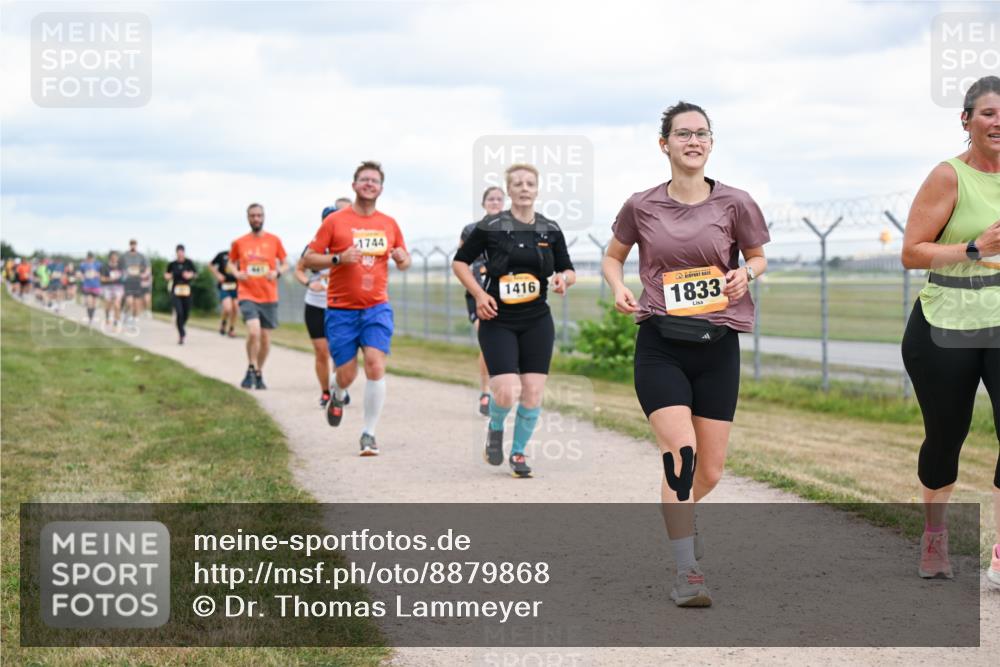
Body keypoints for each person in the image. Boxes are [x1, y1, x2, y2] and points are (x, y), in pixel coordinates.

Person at [602, 102, 770, 607]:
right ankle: (686, 572)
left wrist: (746, 274)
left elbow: (758, 256)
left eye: (701, 133)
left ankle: (681, 522)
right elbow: (613, 256)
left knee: (710, 472)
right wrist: (617, 286)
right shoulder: (641, 205)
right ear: (665, 144)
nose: (693, 141)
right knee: (682, 455)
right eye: (683, 134)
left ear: (711, 144)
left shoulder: (736, 202)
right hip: (660, 344)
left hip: (718, 346)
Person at [900, 75, 1000, 586]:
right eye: (988, 113)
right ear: (967, 120)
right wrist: (973, 249)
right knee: (945, 437)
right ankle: (935, 534)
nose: (998, 122)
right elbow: (911, 252)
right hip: (946, 323)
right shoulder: (949, 176)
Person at [453, 164, 576, 478]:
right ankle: (495, 427)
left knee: (533, 392)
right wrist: (479, 295)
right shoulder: (491, 226)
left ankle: (518, 453)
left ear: (537, 189)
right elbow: (460, 263)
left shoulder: (550, 228)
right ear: (509, 190)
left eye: (530, 183)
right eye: (518, 183)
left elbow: (567, 268)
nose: (524, 188)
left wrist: (563, 279)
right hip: (497, 318)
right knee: (507, 391)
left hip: (537, 320)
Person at [302, 161, 411, 456]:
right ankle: (337, 393)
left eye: (374, 180)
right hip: (341, 309)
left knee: (375, 364)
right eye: (364, 179)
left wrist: (402, 258)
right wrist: (338, 258)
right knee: (347, 375)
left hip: (376, 306)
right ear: (354, 185)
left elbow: (404, 261)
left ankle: (369, 434)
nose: (369, 184)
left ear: (381, 188)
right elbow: (309, 258)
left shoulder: (389, 223)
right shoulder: (335, 222)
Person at [296, 203, 352, 409]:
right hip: (315, 304)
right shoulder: (314, 247)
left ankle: (339, 389)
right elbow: (299, 269)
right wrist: (309, 283)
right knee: (322, 351)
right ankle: (326, 392)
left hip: (340, 305)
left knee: (339, 351)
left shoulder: (349, 245)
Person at [229, 203, 289, 389]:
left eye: (259, 215)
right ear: (248, 218)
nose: (256, 219)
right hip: (247, 293)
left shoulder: (274, 240)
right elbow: (230, 263)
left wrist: (277, 272)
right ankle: (251, 366)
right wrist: (237, 273)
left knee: (265, 339)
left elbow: (285, 263)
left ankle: (258, 372)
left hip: (269, 295)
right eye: (253, 216)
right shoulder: (239, 242)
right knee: (253, 331)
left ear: (264, 217)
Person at [460, 186, 506, 416]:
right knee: (487, 341)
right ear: (483, 203)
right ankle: (486, 392)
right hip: (478, 293)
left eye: (499, 199)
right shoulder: (471, 230)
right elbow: (460, 262)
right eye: (491, 199)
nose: (495, 202)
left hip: (505, 294)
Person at [166, 244, 197, 345]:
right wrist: (169, 276)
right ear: (176, 253)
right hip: (176, 290)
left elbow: (195, 274)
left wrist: (190, 275)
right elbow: (166, 274)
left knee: (186, 313)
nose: (180, 254)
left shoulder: (189, 263)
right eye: (178, 252)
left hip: (187, 290)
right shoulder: (172, 264)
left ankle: (180, 326)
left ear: (184, 252)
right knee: (179, 312)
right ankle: (181, 334)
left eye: (181, 252)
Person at [209, 248, 240, 337]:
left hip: (236, 286)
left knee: (236, 308)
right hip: (224, 286)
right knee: (227, 308)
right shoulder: (222, 255)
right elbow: (210, 265)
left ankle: (231, 329)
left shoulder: (241, 256)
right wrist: (218, 275)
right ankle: (223, 323)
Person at [121, 239, 148, 323]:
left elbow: (146, 268)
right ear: (129, 245)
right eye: (131, 244)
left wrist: (143, 275)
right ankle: (125, 313)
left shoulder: (141, 256)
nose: (133, 246)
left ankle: (134, 318)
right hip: (128, 281)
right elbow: (120, 267)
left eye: (134, 244)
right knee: (129, 301)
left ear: (136, 245)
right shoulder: (125, 256)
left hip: (137, 281)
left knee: (136, 302)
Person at [101, 251, 125, 330]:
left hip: (118, 287)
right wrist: (110, 279)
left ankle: (115, 323)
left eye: (116, 257)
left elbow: (124, 276)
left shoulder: (121, 266)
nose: (115, 259)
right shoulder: (105, 266)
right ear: (110, 258)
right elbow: (102, 279)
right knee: (108, 305)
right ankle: (107, 316)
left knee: (117, 305)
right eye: (113, 257)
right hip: (108, 287)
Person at [78, 252, 103, 324]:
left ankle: (92, 316)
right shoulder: (83, 265)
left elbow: (103, 272)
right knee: (89, 302)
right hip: (87, 286)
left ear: (94, 258)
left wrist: (98, 274)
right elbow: (80, 273)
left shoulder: (98, 264)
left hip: (96, 286)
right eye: (89, 258)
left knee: (94, 303)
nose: (90, 259)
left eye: (91, 258)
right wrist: (81, 276)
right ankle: (90, 318)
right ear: (87, 258)